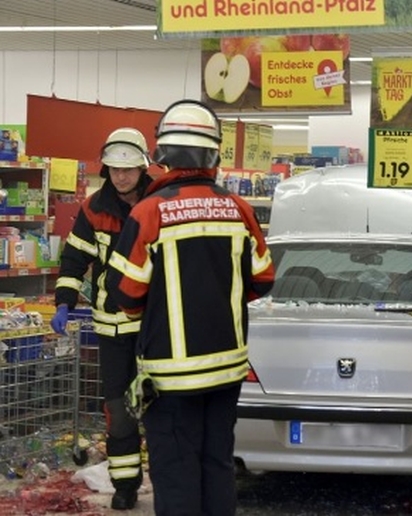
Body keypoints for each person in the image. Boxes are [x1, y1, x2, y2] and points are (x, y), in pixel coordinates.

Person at [106, 99, 275, 516]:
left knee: (177, 471)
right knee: (217, 465)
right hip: (228, 370)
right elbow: (264, 280)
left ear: (162, 156)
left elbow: (125, 295)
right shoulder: (240, 210)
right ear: (214, 154)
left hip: (170, 378)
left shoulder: (149, 213)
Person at [51, 128, 153, 510]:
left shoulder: (160, 201)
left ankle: (171, 479)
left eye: (128, 170)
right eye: (114, 170)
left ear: (143, 167)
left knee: (160, 408)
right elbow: (75, 258)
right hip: (112, 329)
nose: (121, 177)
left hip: (154, 327)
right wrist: (64, 300)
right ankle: (125, 485)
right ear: (105, 169)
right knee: (119, 411)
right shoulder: (95, 208)